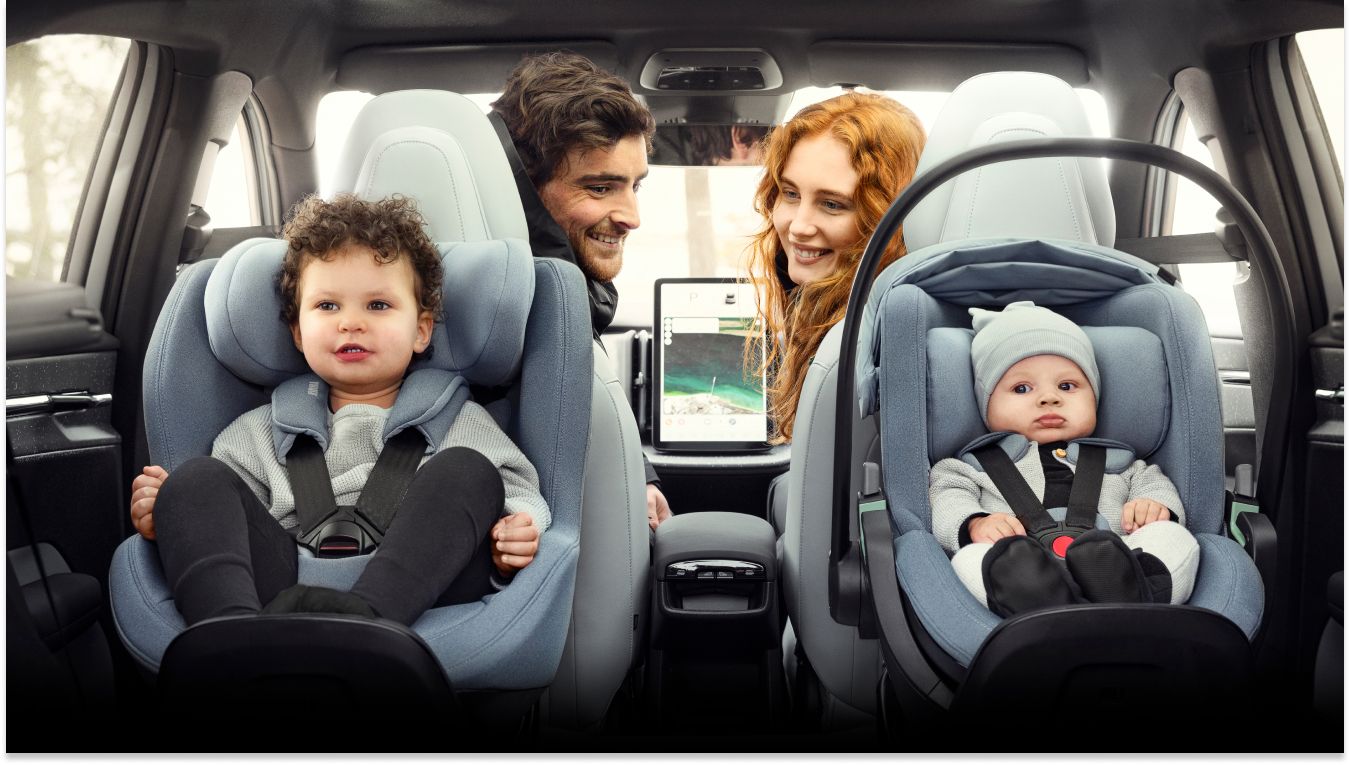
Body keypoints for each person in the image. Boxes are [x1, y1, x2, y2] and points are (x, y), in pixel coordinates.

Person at [127, 194, 549, 626]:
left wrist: (516, 531)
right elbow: (220, 520)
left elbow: (518, 493)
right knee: (195, 479)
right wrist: (172, 514)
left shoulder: (458, 420)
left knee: (469, 470)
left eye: (378, 305)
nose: (350, 322)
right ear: (298, 331)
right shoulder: (260, 431)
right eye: (327, 306)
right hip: (284, 579)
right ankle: (227, 633)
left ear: (421, 330)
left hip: (419, 584)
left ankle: (366, 626)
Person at [490, 51, 674, 530]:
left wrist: (639, 475)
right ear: (524, 191)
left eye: (635, 186)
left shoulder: (568, 303)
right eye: (600, 188)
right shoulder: (507, 328)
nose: (632, 217)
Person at [929, 302, 1201, 618]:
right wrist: (976, 523)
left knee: (1174, 537)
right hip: (1020, 564)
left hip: (1119, 558)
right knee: (972, 558)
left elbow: (1156, 487)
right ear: (986, 404)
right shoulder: (968, 468)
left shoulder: (1124, 464)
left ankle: (1126, 589)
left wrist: (1153, 506)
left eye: (1067, 386)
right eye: (1021, 388)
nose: (1049, 398)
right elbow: (948, 499)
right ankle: (1036, 593)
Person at [743, 92, 926, 444]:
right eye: (790, 193)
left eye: (831, 204)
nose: (798, 226)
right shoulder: (842, 323)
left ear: (887, 220)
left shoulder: (861, 353)